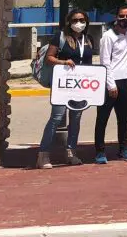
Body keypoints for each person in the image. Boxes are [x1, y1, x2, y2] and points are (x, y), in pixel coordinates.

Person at [36, 9, 94, 169]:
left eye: (82, 20)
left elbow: (88, 62)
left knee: (76, 119)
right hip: (62, 84)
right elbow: (49, 58)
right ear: (69, 22)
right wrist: (64, 62)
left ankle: (71, 152)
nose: (78, 23)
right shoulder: (60, 37)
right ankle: (43, 154)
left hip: (80, 85)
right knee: (56, 117)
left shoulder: (88, 39)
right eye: (75, 20)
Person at [95, 3, 127, 164]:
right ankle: (100, 152)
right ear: (116, 17)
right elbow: (105, 61)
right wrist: (110, 84)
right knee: (103, 118)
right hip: (111, 82)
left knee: (123, 118)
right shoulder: (108, 36)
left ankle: (123, 149)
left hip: (126, 80)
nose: (124, 19)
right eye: (122, 16)